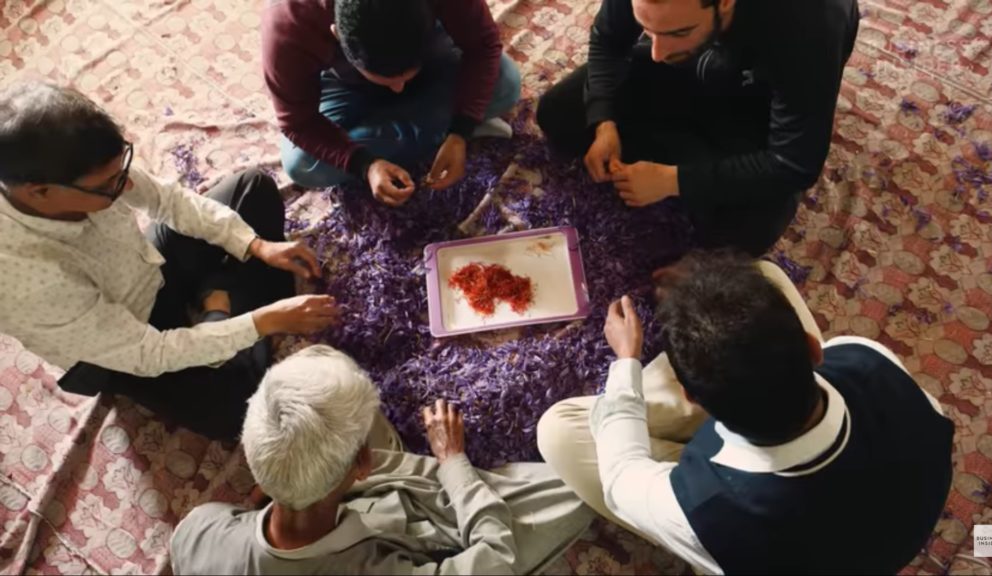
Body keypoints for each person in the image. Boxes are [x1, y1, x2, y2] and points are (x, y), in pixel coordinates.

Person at [537, 251, 954, 574]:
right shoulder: (868, 358)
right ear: (812, 348)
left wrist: (626, 359)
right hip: (892, 522)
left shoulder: (708, 511)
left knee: (558, 431)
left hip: (764, 543)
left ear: (691, 397)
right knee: (765, 274)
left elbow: (620, 478)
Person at [0, 82, 339, 440]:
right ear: (40, 192)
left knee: (252, 188)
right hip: (123, 339)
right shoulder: (25, 281)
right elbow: (149, 352)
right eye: (110, 184)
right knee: (237, 414)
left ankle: (222, 305)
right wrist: (262, 322)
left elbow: (166, 201)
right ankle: (220, 304)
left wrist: (256, 246)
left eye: (122, 171)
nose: (126, 187)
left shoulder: (83, 173)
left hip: (145, 267)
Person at [171, 344, 594, 575]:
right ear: (363, 466)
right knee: (576, 493)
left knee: (319, 365)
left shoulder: (198, 531)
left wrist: (286, 474)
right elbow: (497, 560)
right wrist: (452, 460)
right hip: (400, 527)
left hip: (319, 498)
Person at [536, 0, 860, 256]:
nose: (658, 52)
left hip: (755, 100)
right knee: (559, 112)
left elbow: (795, 164)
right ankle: (686, 152)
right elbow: (608, 39)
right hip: (692, 70)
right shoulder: (661, 42)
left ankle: (682, 156)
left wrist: (673, 180)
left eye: (678, 32)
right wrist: (604, 122)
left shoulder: (809, 23)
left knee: (751, 228)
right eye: (647, 28)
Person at [263, 0, 522, 203]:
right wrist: (365, 164)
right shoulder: (289, 23)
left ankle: (430, 130)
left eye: (405, 76)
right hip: (343, 82)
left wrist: (460, 130)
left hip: (434, 54)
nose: (399, 89)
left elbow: (483, 47)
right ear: (337, 34)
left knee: (507, 83)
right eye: (386, 80)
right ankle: (438, 127)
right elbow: (298, 123)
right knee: (302, 164)